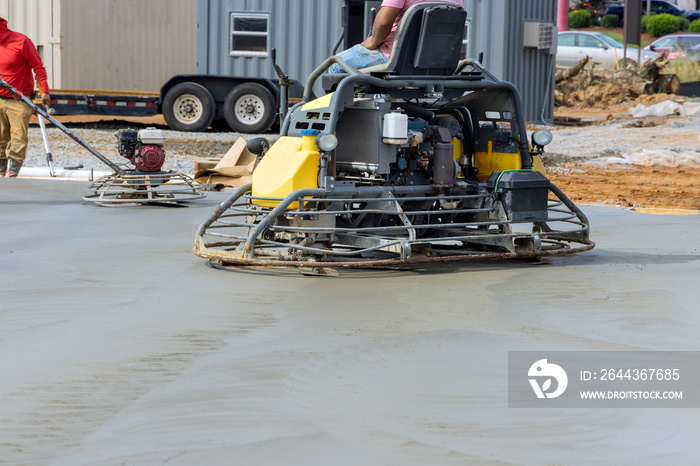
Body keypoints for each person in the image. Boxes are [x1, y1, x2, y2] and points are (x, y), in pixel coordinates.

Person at [329, 0, 464, 74]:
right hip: (439, 63)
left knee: (336, 65)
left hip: (398, 59)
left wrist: (373, 41)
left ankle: (344, 121)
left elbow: (383, 22)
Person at [0, 17, 50, 178]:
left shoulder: (21, 41)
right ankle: (1, 169)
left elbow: (38, 67)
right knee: (0, 136)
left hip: (20, 100)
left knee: (18, 136)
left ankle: (13, 169)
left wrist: (45, 91)